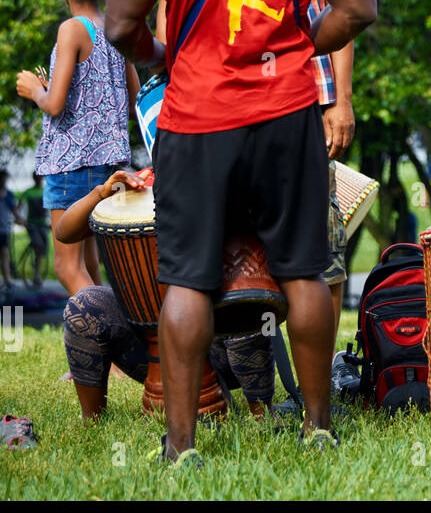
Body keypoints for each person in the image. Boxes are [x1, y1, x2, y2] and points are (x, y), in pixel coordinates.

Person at [107, 0, 376, 461]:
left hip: (197, 118)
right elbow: (358, 8)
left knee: (187, 277)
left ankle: (182, 443)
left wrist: (161, 58)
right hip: (289, 112)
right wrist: (298, 44)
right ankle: (319, 427)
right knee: (305, 269)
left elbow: (119, 25)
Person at [239, 0, 355, 335]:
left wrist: (341, 102)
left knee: (319, 251)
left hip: (305, 98)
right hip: (225, 106)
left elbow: (345, 9)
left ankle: (324, 375)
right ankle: (249, 381)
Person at [54, 169, 275, 421]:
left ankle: (263, 415)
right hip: (150, 345)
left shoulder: (224, 175)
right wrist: (101, 194)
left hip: (220, 344)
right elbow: (65, 233)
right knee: (83, 306)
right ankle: (91, 420)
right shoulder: (143, 183)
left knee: (244, 301)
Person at [16, 0, 139, 295]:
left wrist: (34, 91)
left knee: (66, 265)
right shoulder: (115, 28)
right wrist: (55, 89)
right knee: (89, 264)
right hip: (106, 165)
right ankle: (111, 341)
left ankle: (103, 342)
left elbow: (54, 106)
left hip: (72, 165)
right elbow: (130, 101)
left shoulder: (72, 29)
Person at [17, 174, 50, 285]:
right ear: (34, 178)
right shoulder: (28, 192)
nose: (39, 179)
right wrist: (20, 219)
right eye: (37, 177)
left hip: (43, 224)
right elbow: (18, 207)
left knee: (43, 248)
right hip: (32, 224)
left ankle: (37, 269)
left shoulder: (46, 191)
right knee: (38, 244)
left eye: (40, 177)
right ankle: (36, 274)